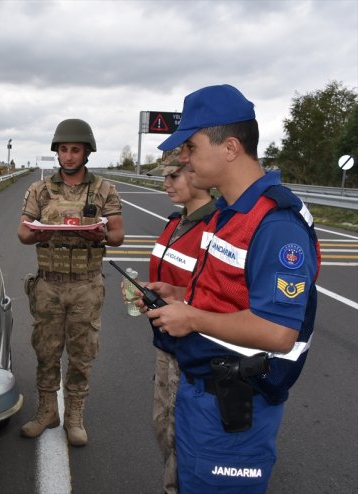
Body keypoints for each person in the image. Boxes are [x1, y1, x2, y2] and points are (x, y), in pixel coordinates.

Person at [142, 84, 320, 493]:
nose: (184, 158)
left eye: (191, 145)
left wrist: (192, 317)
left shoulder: (275, 224)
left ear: (230, 147)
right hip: (203, 391)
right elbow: (228, 297)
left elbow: (278, 331)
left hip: (237, 402)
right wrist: (181, 298)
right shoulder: (226, 213)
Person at [18, 118, 124, 447]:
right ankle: (47, 411)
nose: (68, 156)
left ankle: (74, 415)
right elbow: (23, 233)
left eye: (74, 150)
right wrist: (39, 230)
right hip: (49, 284)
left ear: (86, 152)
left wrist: (99, 232)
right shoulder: (40, 189)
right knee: (46, 351)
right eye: (63, 149)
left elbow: (118, 235)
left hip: (86, 284)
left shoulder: (104, 189)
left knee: (81, 354)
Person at [140, 147, 216, 494]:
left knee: (180, 430)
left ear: (197, 175)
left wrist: (177, 297)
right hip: (166, 339)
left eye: (174, 176)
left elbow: (218, 293)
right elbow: (175, 279)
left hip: (195, 348)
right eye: (165, 177)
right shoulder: (175, 222)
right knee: (163, 426)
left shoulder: (217, 227)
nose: (167, 184)